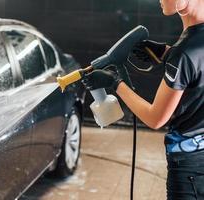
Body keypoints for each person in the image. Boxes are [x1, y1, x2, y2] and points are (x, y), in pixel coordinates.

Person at [82, 0, 204, 199]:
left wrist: (115, 82)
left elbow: (156, 118)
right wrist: (167, 53)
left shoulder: (184, 53)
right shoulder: (188, 48)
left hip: (190, 168)